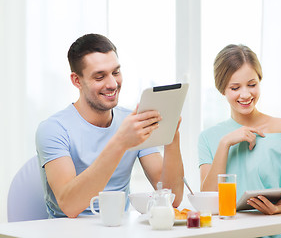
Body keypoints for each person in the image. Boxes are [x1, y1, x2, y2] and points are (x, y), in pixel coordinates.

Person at [36, 33, 184, 218]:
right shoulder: (53, 129)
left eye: (116, 72)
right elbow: (70, 206)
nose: (113, 84)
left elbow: (173, 198)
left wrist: (171, 134)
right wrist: (121, 142)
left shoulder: (131, 122)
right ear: (76, 81)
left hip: (117, 230)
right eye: (100, 77)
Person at [198, 44, 281, 237]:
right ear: (222, 90)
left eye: (252, 85)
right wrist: (225, 143)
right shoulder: (209, 138)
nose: (246, 94)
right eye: (235, 87)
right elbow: (209, 202)